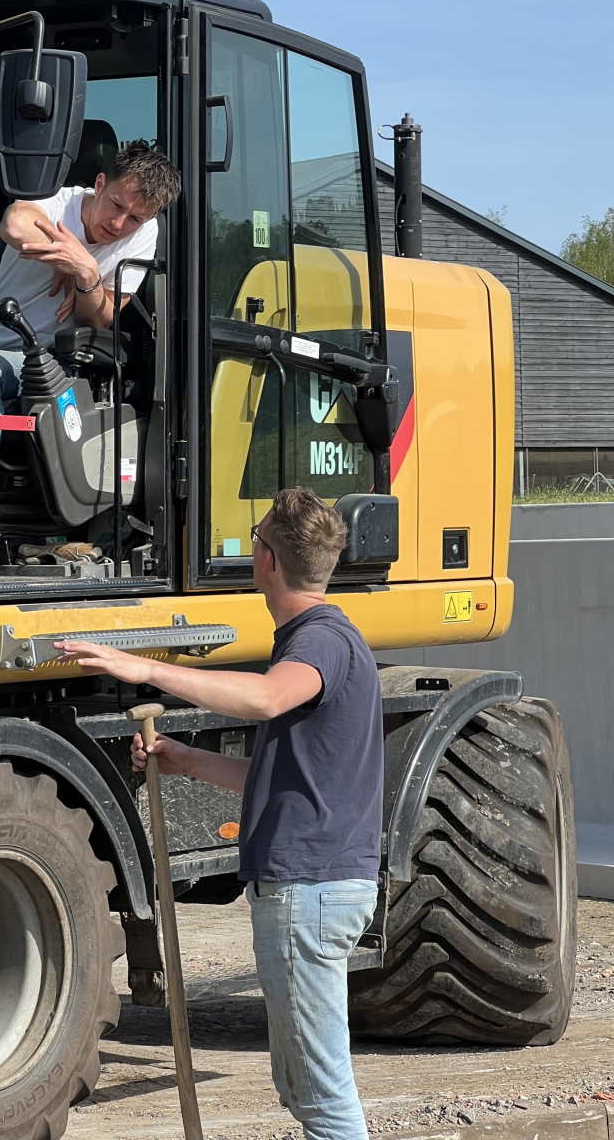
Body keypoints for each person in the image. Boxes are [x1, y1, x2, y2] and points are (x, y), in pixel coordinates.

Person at [55, 487, 383, 1140]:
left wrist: (142, 668)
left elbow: (264, 700)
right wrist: (185, 759)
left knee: (321, 1097)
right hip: (315, 887)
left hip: (309, 892)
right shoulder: (329, 638)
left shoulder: (318, 643)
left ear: (266, 559)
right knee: (301, 1086)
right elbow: (285, 779)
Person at [0, 139, 181, 577]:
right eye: (115, 204)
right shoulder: (57, 201)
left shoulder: (145, 234)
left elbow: (102, 315)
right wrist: (68, 251)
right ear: (98, 183)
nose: (119, 223)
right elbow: (15, 225)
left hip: (47, 365)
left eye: (135, 217)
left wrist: (87, 273)